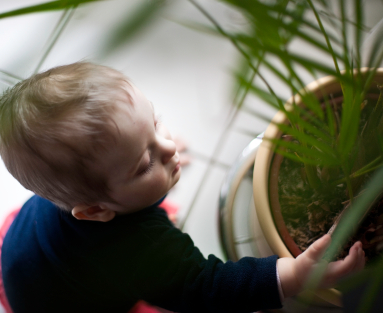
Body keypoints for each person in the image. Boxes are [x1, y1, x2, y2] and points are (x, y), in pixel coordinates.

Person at [0, 62, 365, 313]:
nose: (171, 147)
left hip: (25, 250)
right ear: (95, 211)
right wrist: (294, 275)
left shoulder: (75, 191)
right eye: (144, 163)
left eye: (156, 126)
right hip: (64, 301)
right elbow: (205, 286)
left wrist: (146, 162)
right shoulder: (141, 249)